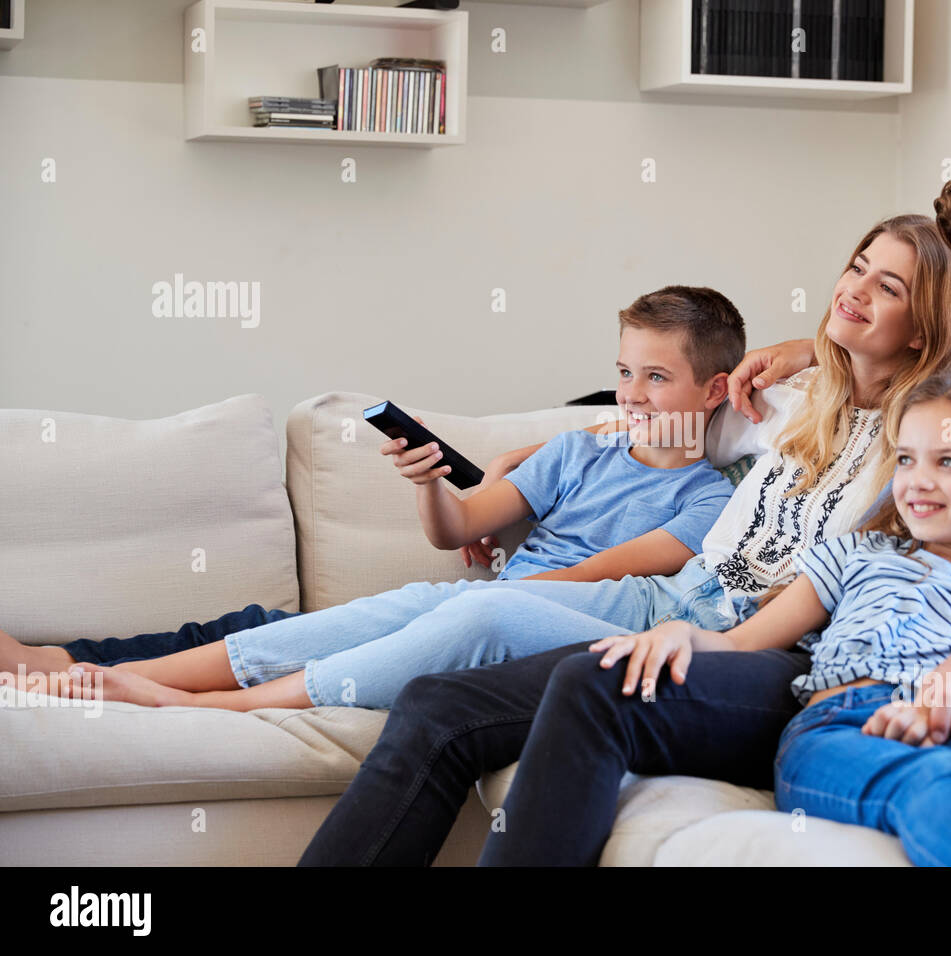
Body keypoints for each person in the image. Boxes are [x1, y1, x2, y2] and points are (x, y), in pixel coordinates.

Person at [298, 162, 951, 868]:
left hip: (839, 664)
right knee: (439, 703)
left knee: (586, 680)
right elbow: (851, 360)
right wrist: (802, 350)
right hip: (812, 627)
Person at [296, 213, 951, 864]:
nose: (855, 290)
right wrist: (522, 455)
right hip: (680, 602)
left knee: (582, 676)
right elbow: (658, 420)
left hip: (776, 648)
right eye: (856, 268)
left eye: (886, 288)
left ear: (922, 329)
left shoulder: (930, 435)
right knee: (437, 703)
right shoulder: (785, 402)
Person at [9, 286, 744, 710]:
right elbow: (457, 526)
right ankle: (90, 676)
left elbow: (595, 575)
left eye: (656, 377)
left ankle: (156, 693)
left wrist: (479, 596)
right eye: (624, 372)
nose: (631, 394)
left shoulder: (711, 499)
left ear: (713, 390)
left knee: (440, 606)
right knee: (389, 608)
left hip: (540, 619)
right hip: (488, 605)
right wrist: (428, 480)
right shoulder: (579, 451)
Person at [596, 367, 951, 866]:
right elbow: (743, 644)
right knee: (934, 780)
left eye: (948, 462)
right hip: (841, 728)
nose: (918, 480)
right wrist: (681, 634)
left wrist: (936, 715)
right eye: (907, 459)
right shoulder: (856, 552)